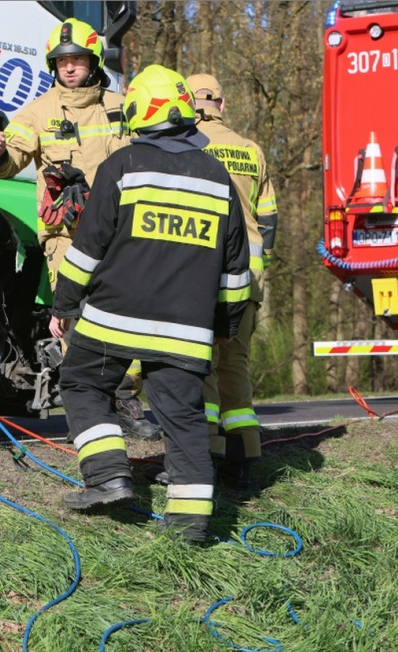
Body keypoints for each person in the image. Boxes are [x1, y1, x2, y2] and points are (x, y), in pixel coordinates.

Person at [50, 64, 251, 543]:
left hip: (113, 318)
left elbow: (86, 249)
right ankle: (190, 526)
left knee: (82, 382)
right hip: (186, 327)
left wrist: (63, 305)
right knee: (183, 417)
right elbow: (236, 273)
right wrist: (225, 326)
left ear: (138, 114)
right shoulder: (218, 176)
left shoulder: (121, 165)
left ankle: (108, 478)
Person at [0, 18, 161, 441]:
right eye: (62, 61)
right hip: (67, 237)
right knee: (73, 319)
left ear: (93, 62)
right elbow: (10, 161)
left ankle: (125, 397)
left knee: (128, 314)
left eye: (77, 59)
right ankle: (89, 408)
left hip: (121, 234)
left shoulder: (121, 105)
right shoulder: (38, 111)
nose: (69, 67)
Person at [186, 73, 278, 490]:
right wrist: (258, 271)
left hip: (202, 273)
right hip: (248, 278)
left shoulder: (187, 145)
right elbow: (269, 219)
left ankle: (206, 453)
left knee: (199, 364)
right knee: (235, 364)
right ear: (221, 105)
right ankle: (243, 455)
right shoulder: (251, 150)